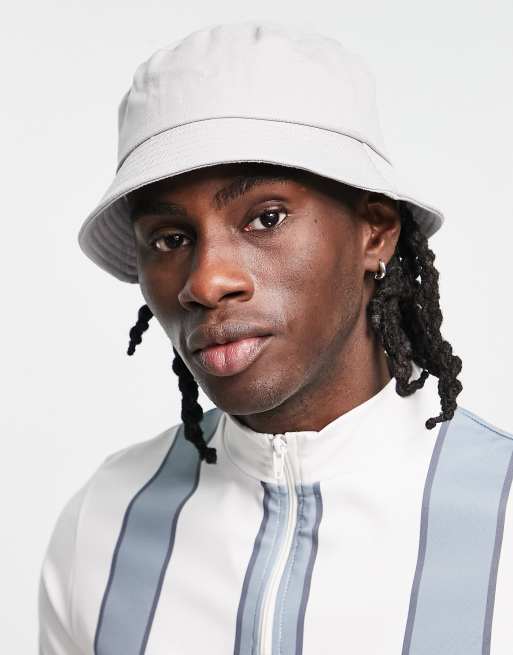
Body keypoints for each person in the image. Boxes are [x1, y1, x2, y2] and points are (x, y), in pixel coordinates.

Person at [38, 21, 513, 655]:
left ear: (374, 232)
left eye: (266, 218)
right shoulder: (103, 525)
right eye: (170, 239)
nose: (206, 282)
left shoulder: (504, 519)